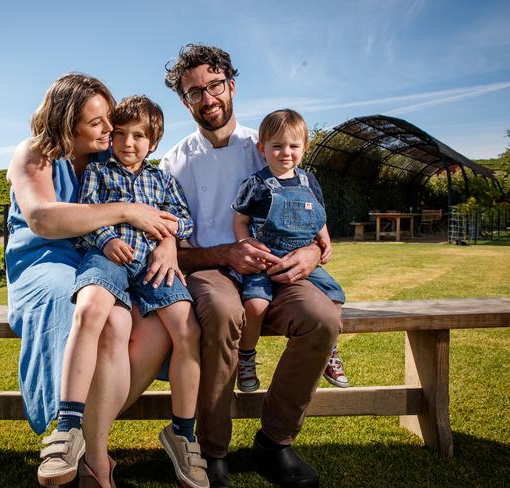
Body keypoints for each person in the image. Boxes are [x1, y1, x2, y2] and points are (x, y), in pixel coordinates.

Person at [160, 44, 341, 488]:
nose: (208, 98)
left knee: (321, 318)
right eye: (194, 92)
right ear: (185, 102)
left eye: (215, 85)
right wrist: (226, 254)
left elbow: (308, 211)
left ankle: (274, 443)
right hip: (211, 272)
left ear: (231, 86)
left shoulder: (264, 145)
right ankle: (212, 450)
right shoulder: (173, 163)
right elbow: (174, 252)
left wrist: (313, 253)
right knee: (224, 313)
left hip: (276, 271)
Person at [5, 73, 180, 488]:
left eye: (109, 120)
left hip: (99, 256)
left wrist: (168, 244)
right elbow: (44, 218)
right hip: (45, 260)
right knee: (84, 311)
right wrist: (123, 210)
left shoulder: (108, 161)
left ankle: (88, 438)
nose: (110, 128)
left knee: (141, 322)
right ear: (67, 123)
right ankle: (87, 452)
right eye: (97, 122)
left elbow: (156, 208)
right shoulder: (34, 154)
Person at [72, 95, 209, 488]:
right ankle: (75, 427)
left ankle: (182, 432)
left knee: (188, 330)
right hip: (113, 260)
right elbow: (85, 214)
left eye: (139, 136)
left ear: (154, 142)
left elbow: (184, 221)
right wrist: (105, 239)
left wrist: (168, 238)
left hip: (153, 265)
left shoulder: (162, 180)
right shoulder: (99, 173)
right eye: (120, 134)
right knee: (96, 310)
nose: (128, 143)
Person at [230, 109, 347, 393]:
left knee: (334, 300)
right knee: (255, 305)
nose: (286, 152)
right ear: (262, 149)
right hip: (265, 260)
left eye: (294, 146)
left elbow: (318, 216)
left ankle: (330, 352)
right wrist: (245, 243)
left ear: (304, 148)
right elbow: (240, 220)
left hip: (302, 262)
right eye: (277, 146)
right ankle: (246, 359)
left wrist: (324, 241)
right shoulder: (256, 184)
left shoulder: (309, 182)